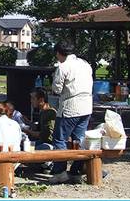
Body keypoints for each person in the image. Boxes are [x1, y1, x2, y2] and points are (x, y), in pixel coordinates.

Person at [48, 40, 93, 184]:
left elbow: (56, 89)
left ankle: (60, 171)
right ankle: (76, 170)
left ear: (59, 53)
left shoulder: (63, 66)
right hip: (87, 105)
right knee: (78, 139)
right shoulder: (85, 64)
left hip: (70, 106)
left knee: (60, 139)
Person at [24, 88, 56, 172]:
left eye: (33, 98)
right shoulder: (42, 112)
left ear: (41, 100)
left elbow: (45, 134)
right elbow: (38, 127)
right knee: (25, 147)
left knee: (29, 151)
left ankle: (48, 163)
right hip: (42, 141)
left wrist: (27, 131)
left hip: (49, 144)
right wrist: (28, 122)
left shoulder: (50, 113)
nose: (31, 101)